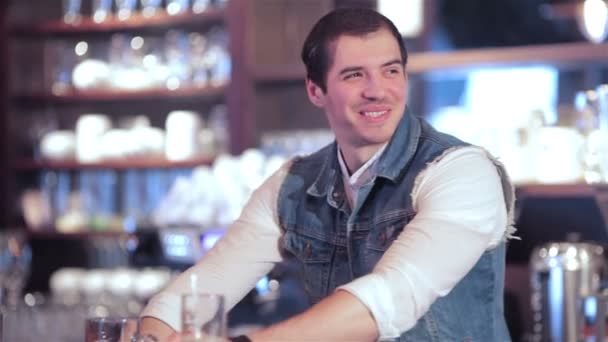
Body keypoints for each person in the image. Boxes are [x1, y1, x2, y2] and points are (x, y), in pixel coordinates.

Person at [140, 7, 516, 342]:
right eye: (355, 75)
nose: (378, 91)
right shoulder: (294, 185)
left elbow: (388, 299)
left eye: (391, 71)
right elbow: (199, 289)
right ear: (316, 90)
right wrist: (155, 335)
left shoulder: (461, 171)